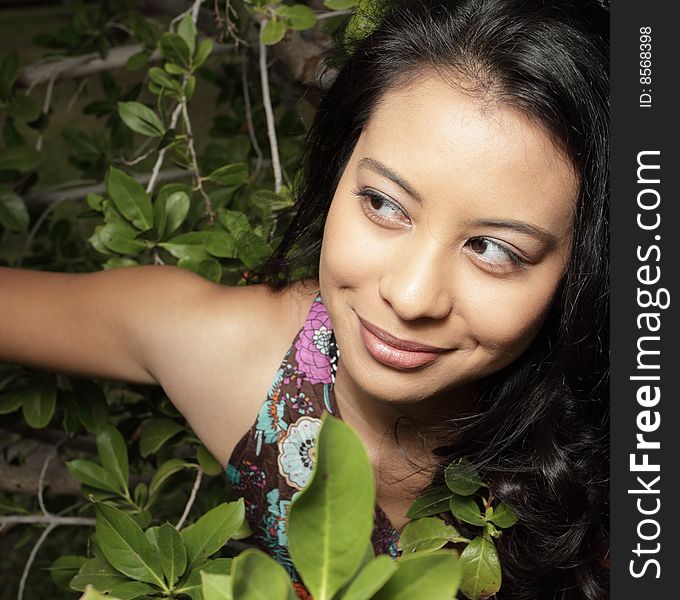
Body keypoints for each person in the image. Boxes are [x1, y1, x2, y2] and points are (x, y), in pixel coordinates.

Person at [0, 0, 609, 598]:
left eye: (494, 250)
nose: (411, 295)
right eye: (383, 204)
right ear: (338, 168)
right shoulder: (233, 355)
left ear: (582, 270)